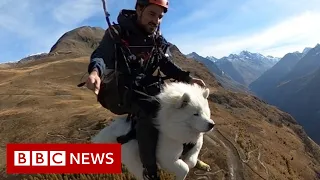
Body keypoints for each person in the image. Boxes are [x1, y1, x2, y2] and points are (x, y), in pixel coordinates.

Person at [85, 0, 205, 179]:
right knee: (149, 109)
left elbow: (164, 63)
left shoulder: (155, 38)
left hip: (145, 86)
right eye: (152, 14)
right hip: (119, 90)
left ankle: (187, 153)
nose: (156, 20)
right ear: (139, 10)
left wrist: (187, 78)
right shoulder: (117, 33)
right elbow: (101, 55)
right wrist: (95, 72)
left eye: (160, 16)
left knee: (183, 105)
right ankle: (150, 171)